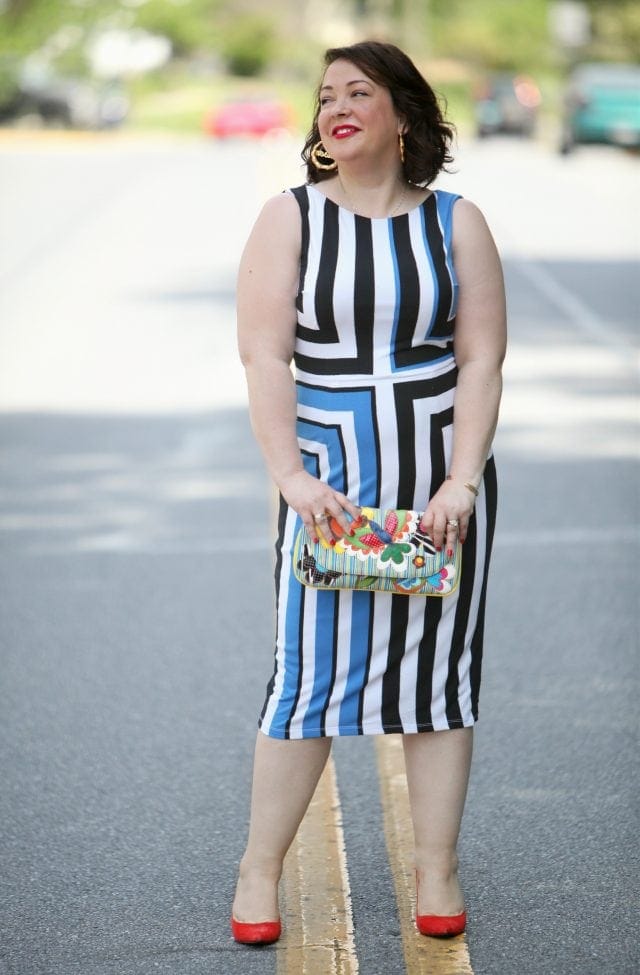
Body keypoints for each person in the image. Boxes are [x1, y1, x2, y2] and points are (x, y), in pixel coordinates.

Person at [231, 40, 506, 945]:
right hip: (330, 481)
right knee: (306, 675)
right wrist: (291, 477)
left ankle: (438, 869)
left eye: (359, 92)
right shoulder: (292, 218)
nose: (336, 108)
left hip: (438, 481)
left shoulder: (456, 222)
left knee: (436, 673)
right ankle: (259, 872)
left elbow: (480, 359)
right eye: (324, 97)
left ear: (403, 114)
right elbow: (265, 353)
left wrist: (462, 479)